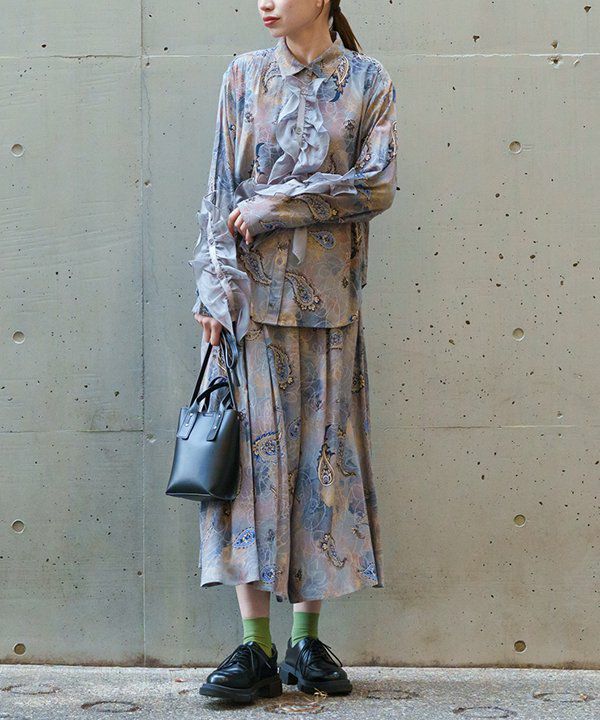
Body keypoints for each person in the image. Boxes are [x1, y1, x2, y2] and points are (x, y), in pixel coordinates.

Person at [188, 0, 397, 704]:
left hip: (331, 309)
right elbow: (219, 191)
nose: (266, 2)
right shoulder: (244, 75)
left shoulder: (368, 81)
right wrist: (213, 291)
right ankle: (256, 646)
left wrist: (277, 205)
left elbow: (377, 184)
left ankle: (307, 640)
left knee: (321, 465)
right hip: (249, 308)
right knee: (247, 474)